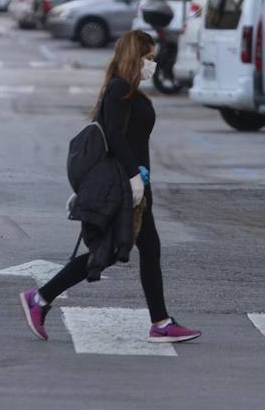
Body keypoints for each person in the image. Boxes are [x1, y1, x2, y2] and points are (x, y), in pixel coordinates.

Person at [19, 29, 201, 344]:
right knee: (115, 250)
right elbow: (113, 136)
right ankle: (42, 298)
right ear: (135, 58)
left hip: (136, 184)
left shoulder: (128, 91)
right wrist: (133, 179)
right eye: (148, 58)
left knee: (134, 249)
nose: (152, 65)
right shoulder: (119, 90)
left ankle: (158, 321)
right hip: (128, 185)